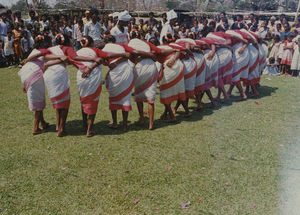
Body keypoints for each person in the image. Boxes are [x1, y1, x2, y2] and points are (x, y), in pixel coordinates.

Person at [43, 34, 98, 137]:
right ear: (66, 41)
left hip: (48, 75)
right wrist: (92, 60)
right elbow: (75, 57)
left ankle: (58, 126)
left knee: (59, 101)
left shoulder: (50, 49)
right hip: (58, 75)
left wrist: (52, 61)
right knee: (64, 103)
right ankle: (61, 130)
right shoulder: (67, 48)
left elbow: (45, 56)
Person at [76, 36, 130, 136]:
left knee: (83, 100)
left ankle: (84, 125)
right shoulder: (96, 51)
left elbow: (73, 60)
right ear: (91, 43)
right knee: (93, 101)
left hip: (81, 78)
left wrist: (87, 67)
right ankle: (89, 130)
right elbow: (107, 55)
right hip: (93, 79)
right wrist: (122, 54)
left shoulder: (78, 52)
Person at [18, 35, 66, 135]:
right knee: (39, 102)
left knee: (38, 99)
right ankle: (35, 128)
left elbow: (30, 63)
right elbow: (45, 56)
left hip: (26, 76)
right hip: (34, 76)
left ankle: (43, 123)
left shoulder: (33, 50)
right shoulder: (43, 51)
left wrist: (25, 84)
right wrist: (60, 57)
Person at [102, 36, 136, 131]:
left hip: (115, 74)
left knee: (113, 97)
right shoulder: (121, 46)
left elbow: (104, 61)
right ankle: (125, 125)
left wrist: (114, 63)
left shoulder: (105, 48)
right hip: (126, 72)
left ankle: (115, 123)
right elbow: (129, 55)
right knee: (126, 98)